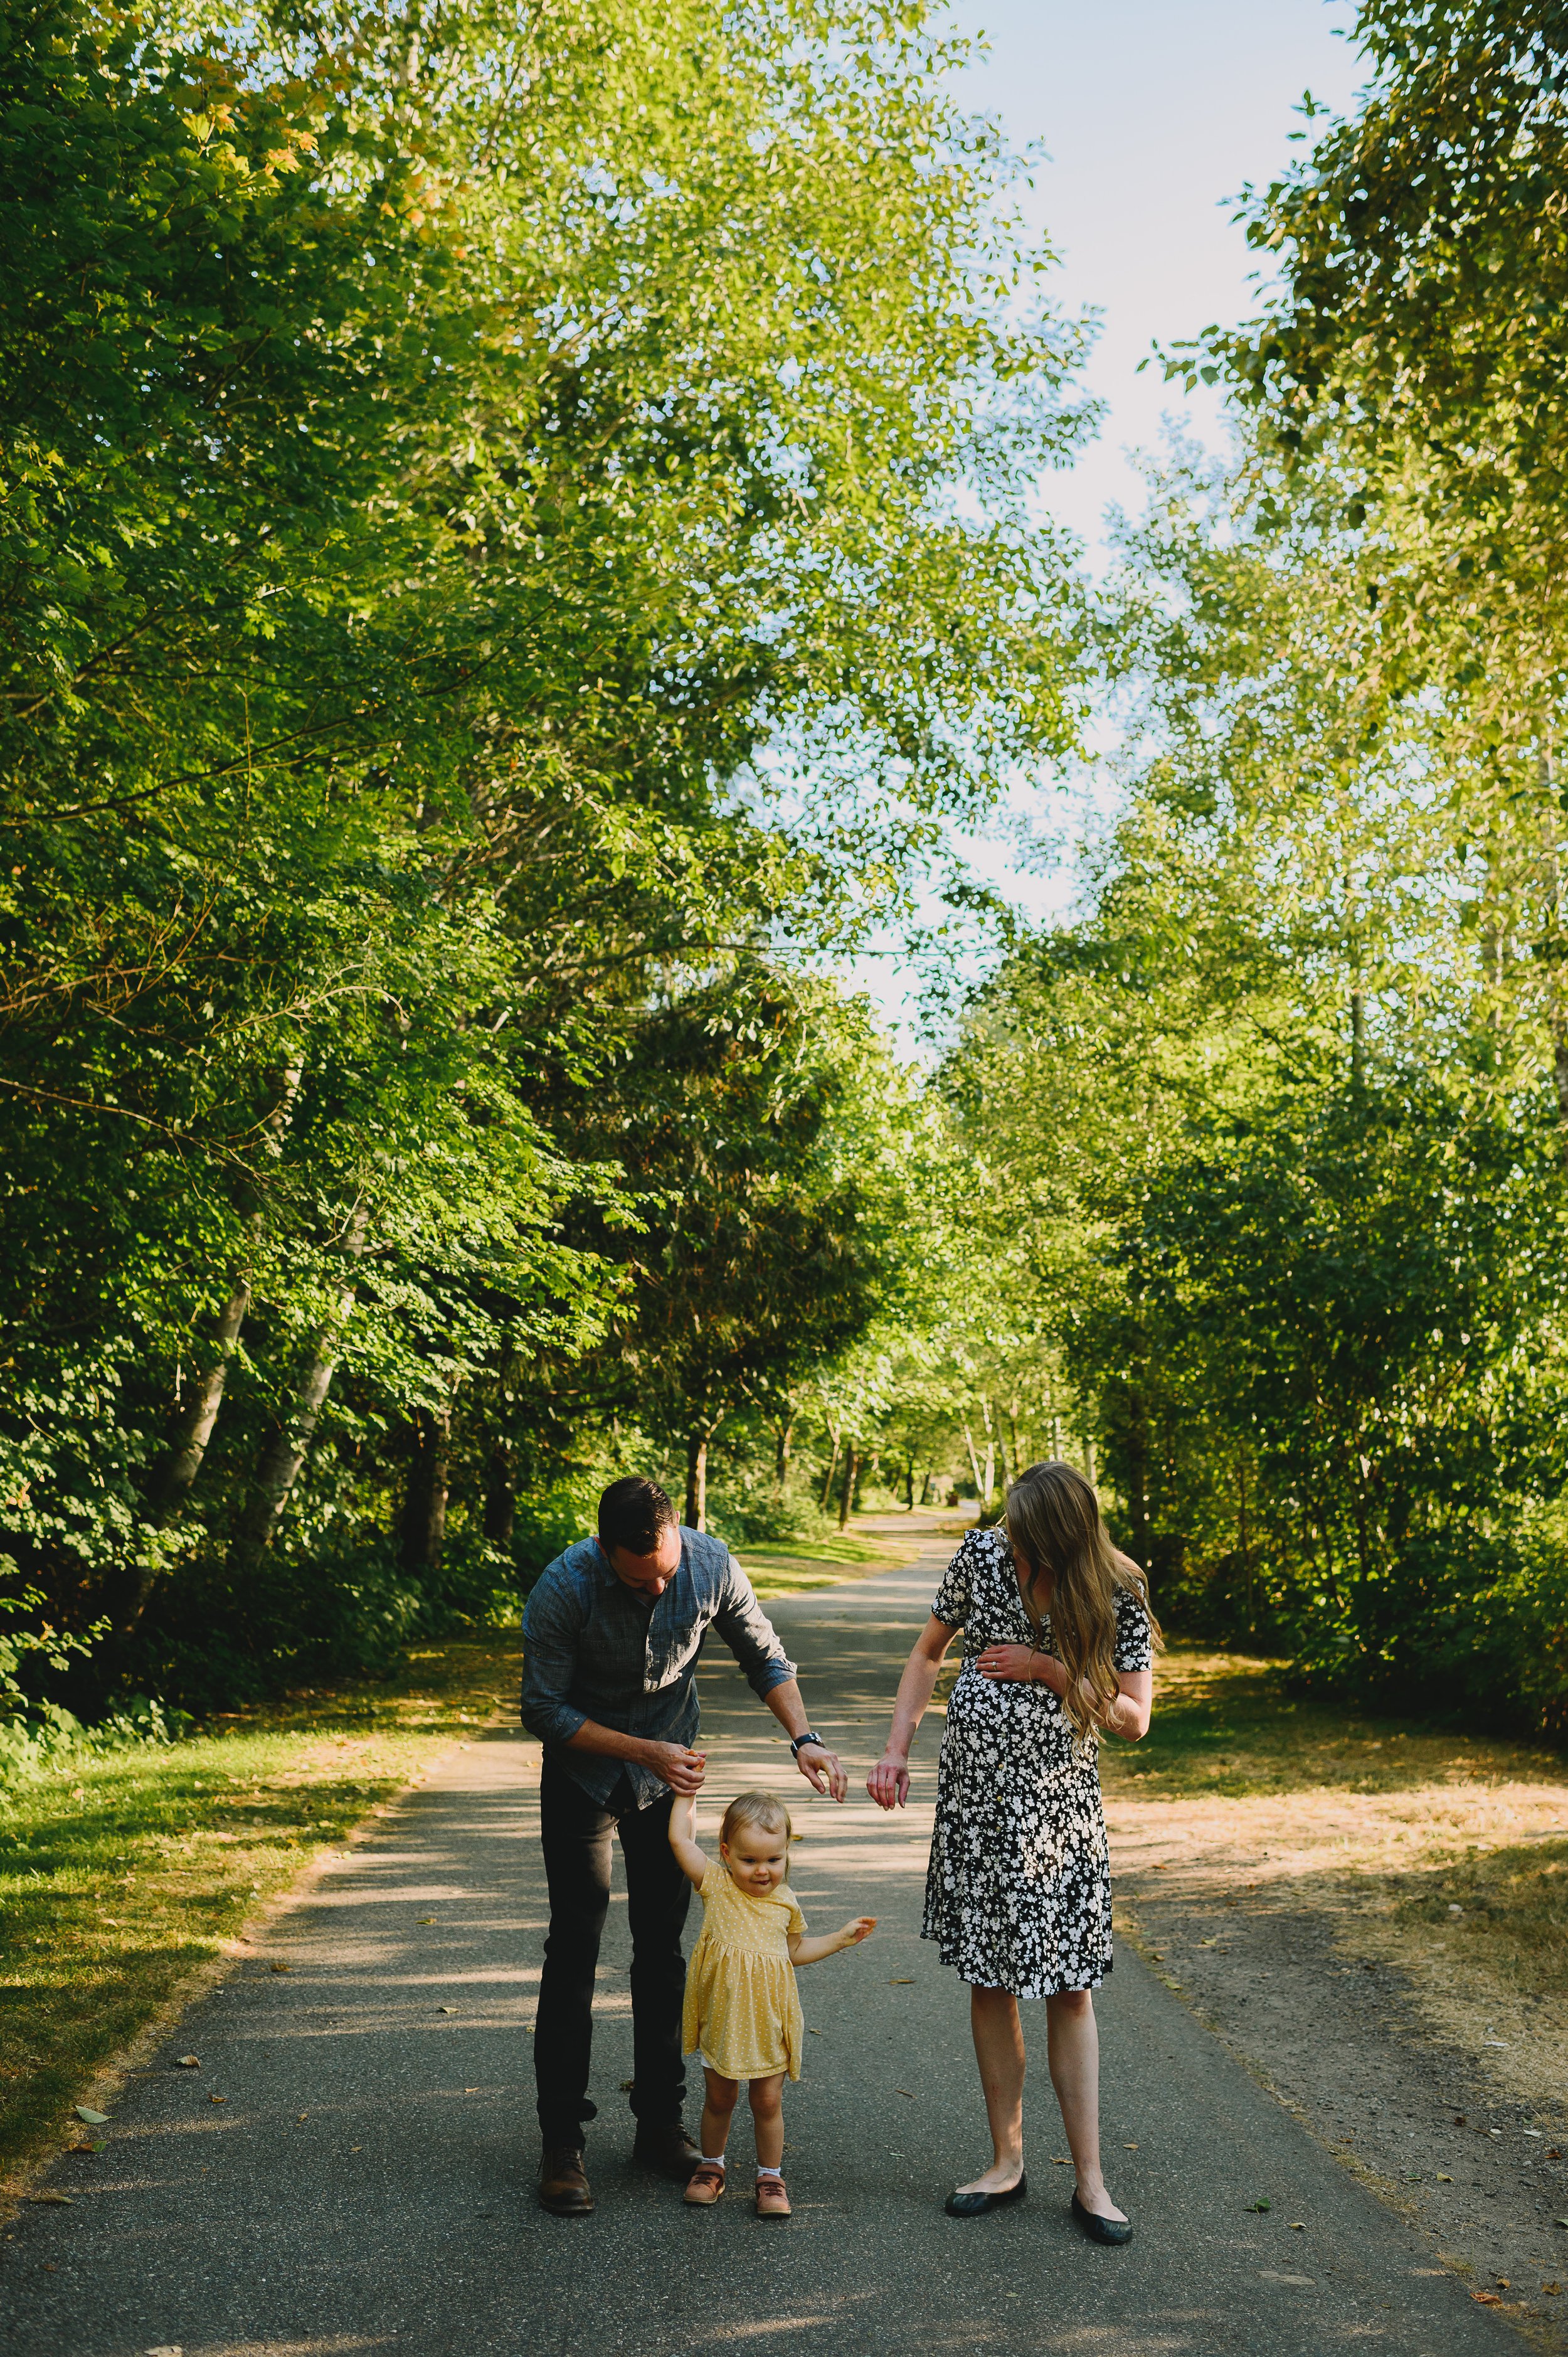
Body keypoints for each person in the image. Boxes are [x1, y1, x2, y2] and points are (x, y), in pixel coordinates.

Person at [519, 1474, 849, 2216]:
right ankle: (561, 2143)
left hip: (668, 1778)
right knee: (574, 1947)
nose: (659, 1583)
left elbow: (764, 1655)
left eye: (667, 1568)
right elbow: (540, 1706)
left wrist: (805, 1738)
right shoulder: (563, 1587)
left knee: (664, 1950)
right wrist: (644, 1751)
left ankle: (660, 2126)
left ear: (678, 1534)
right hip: (582, 1774)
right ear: (605, 1551)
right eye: (642, 1577)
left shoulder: (710, 1563)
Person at [867, 1460, 1157, 2240]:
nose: (1015, 1554)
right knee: (988, 1978)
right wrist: (895, 1749)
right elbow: (928, 1652)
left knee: (1068, 1988)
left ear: (1064, 1538)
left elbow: (1133, 1719)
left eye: (1029, 1544)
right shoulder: (983, 1555)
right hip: (975, 1807)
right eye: (1013, 1539)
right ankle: (1005, 2161)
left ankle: (1091, 2181)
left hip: (1058, 1811)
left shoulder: (1117, 1589)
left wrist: (1051, 1670)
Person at [667, 1787, 876, 2216]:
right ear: (726, 1853)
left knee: (767, 2101)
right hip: (725, 2020)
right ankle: (711, 2166)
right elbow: (680, 1840)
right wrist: (684, 1796)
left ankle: (770, 2175)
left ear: (786, 1853)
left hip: (768, 2021)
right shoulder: (717, 1886)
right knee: (720, 2098)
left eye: (773, 1859)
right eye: (749, 1860)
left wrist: (840, 1938)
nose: (762, 1870)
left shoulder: (785, 1902)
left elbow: (792, 1952)